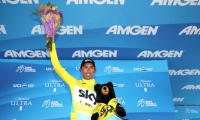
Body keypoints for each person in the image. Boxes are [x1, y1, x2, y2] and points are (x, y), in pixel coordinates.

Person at [50, 42, 97, 120]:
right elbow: (57, 67)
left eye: (91, 67)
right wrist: (51, 44)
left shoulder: (101, 89)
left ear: (94, 70)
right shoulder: (74, 83)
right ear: (80, 70)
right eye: (85, 67)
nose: (88, 70)